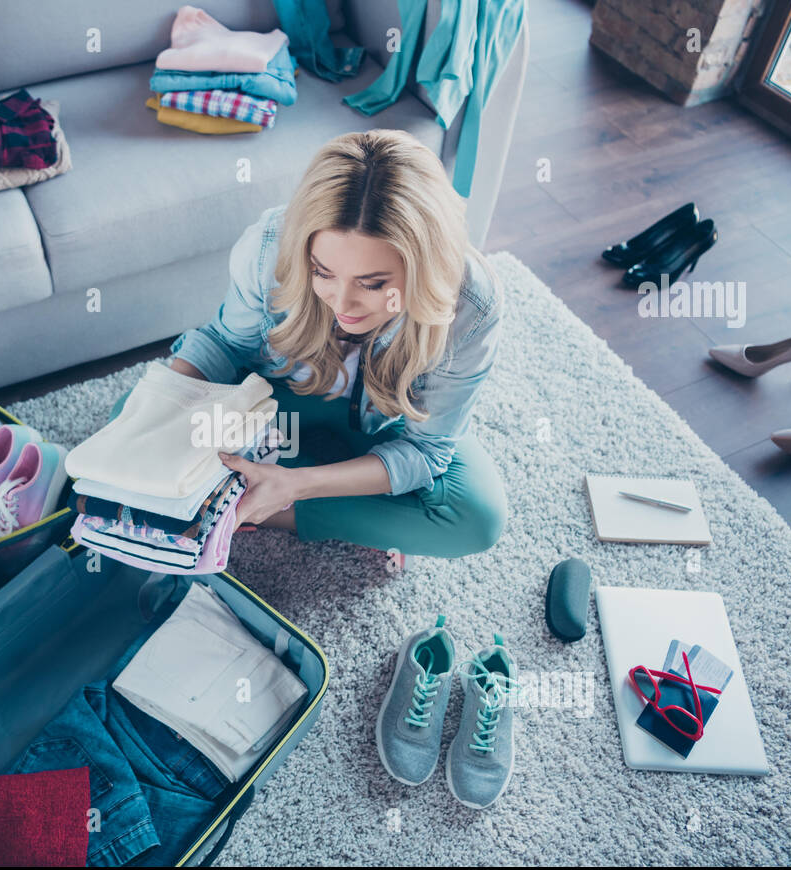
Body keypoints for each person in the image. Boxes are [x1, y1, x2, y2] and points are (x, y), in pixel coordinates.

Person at [119, 129, 508, 559]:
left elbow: (426, 449)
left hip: (383, 423)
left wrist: (299, 485)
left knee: (476, 516)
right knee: (131, 419)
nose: (342, 304)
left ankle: (256, 503)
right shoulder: (269, 246)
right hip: (277, 404)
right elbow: (223, 347)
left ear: (423, 268)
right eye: (322, 273)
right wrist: (159, 416)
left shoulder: (471, 305)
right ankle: (330, 506)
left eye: (373, 284)